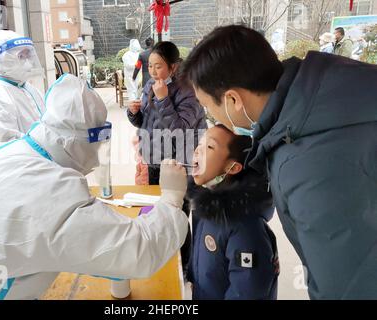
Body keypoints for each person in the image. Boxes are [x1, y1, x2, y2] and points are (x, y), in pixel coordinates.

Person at [0, 74, 189, 300]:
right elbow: (137, 250)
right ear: (77, 141)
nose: (100, 150)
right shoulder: (52, 191)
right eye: (99, 140)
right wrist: (171, 199)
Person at [182, 25, 377, 299]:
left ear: (233, 100)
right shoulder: (331, 83)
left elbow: (348, 286)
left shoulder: (303, 166)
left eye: (209, 109)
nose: (214, 119)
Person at [186, 125, 278, 300]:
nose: (198, 150)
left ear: (233, 168)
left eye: (209, 147)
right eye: (200, 143)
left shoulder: (246, 228)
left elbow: (248, 291)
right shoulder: (207, 202)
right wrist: (193, 278)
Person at [127, 41, 207, 185]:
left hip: (179, 162)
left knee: (176, 202)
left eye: (158, 66)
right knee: (155, 202)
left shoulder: (188, 90)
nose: (152, 71)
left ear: (173, 67)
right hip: (154, 157)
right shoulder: (150, 85)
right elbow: (145, 122)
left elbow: (180, 130)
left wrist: (163, 99)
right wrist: (134, 113)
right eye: (150, 66)